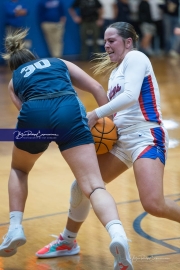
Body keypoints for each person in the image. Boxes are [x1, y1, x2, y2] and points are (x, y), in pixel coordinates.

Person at [36, 21, 180, 263]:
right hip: (121, 139)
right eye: (105, 41)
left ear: (128, 42)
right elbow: (116, 115)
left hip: (146, 135)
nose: (107, 45)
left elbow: (130, 96)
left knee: (153, 204)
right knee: (82, 186)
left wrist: (96, 114)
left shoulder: (136, 57)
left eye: (111, 40)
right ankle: (67, 241)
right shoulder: (115, 72)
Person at [0, 29, 133, 270]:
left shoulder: (15, 80)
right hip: (69, 108)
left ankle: (15, 228)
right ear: (34, 57)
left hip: (35, 114)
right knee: (93, 186)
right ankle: (118, 235)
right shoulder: (57, 62)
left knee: (20, 169)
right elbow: (96, 88)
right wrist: (110, 123)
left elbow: (24, 112)